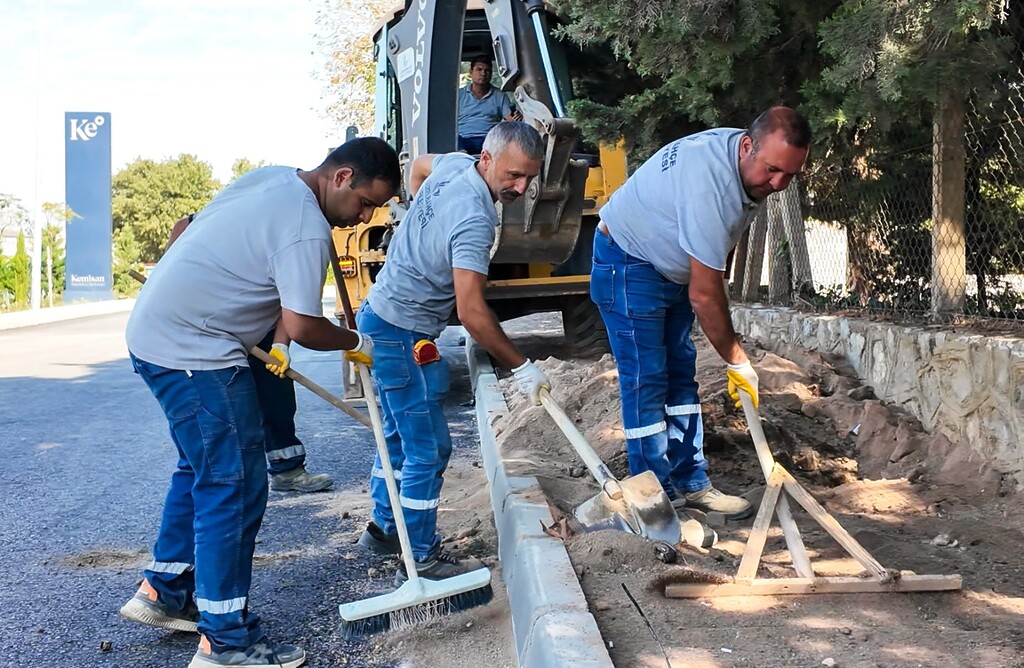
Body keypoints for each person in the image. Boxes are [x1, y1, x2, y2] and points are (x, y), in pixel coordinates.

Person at [119, 138, 400, 668]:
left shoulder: (272, 178)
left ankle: (166, 589)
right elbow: (304, 322)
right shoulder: (307, 228)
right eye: (365, 203)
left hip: (158, 333)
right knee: (235, 483)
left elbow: (190, 232)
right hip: (195, 350)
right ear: (341, 178)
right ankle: (226, 640)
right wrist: (357, 344)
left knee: (201, 464)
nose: (362, 217)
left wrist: (275, 341)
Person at [590, 106, 811, 522]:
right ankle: (654, 505)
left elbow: (709, 269)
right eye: (773, 170)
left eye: (790, 175)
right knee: (646, 380)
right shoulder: (711, 187)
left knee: (679, 376)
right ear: (748, 146)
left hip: (666, 267)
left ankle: (692, 484)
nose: (779, 183)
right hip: (628, 264)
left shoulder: (743, 160)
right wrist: (737, 360)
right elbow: (706, 294)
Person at [355, 121, 550, 583]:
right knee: (428, 449)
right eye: (513, 175)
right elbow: (471, 312)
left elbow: (419, 168)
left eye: (529, 178)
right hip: (399, 332)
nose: (520, 187)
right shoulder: (475, 220)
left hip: (380, 318)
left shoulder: (455, 165)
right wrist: (521, 366)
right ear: (487, 158)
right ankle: (419, 554)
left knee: (398, 438)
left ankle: (385, 531)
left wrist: (417, 220)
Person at [165, 214, 333, 494]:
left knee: (277, 397)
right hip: (211, 335)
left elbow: (289, 300)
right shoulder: (189, 227)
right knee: (226, 408)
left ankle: (287, 469)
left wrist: (280, 345)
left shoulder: (273, 236)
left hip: (260, 325)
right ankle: (228, 482)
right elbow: (171, 283)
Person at [456, 56, 521, 154]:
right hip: (462, 139)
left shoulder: (499, 96)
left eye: (487, 70)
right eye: (479, 69)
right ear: (471, 72)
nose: (483, 73)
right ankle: (462, 156)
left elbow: (510, 119)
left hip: (489, 140)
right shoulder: (459, 95)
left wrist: (517, 117)